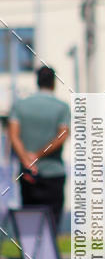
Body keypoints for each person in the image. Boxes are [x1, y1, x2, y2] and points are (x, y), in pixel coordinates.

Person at [7, 65, 70, 234]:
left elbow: (13, 136)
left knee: (30, 222)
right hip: (53, 173)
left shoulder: (20, 106)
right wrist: (37, 155)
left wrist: (27, 159)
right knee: (52, 222)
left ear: (37, 81)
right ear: (53, 83)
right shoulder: (61, 107)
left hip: (28, 174)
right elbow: (63, 135)